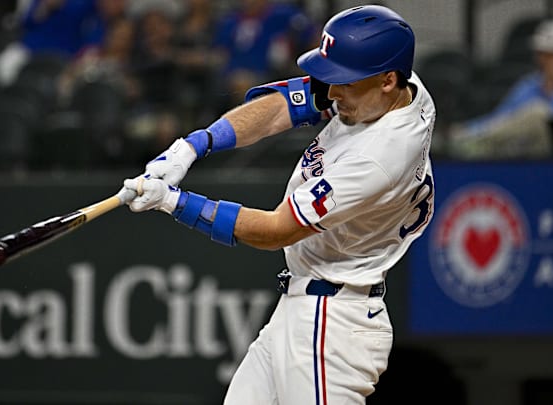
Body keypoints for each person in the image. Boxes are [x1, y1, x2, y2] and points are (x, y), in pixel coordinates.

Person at [116, 5, 436, 404]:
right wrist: (191, 146)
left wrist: (175, 201)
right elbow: (285, 105)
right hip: (304, 306)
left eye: (345, 83)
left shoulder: (380, 157)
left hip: (332, 324)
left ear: (388, 80)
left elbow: (276, 230)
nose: (333, 93)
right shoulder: (399, 87)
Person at [449, 19, 553, 159]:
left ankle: (475, 143)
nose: (543, 61)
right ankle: (470, 141)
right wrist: (467, 129)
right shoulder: (530, 84)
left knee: (538, 112)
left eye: (550, 55)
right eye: (541, 54)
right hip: (526, 149)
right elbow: (502, 117)